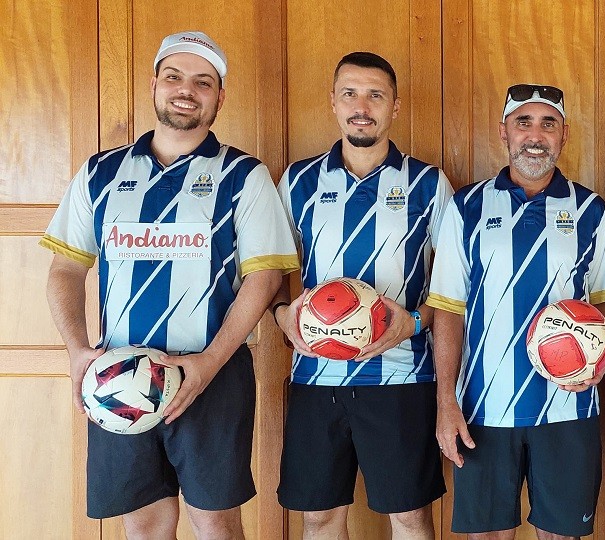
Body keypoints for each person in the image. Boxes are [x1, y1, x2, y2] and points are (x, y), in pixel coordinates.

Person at [41, 31, 299, 538]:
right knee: (143, 525)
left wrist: (206, 365)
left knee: (216, 524)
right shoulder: (101, 172)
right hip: (117, 375)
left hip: (213, 375)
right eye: (174, 76)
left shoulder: (243, 175)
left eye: (204, 82)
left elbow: (265, 278)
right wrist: (76, 351)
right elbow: (65, 271)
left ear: (220, 97)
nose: (187, 90)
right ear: (155, 85)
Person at [428, 84, 605, 539]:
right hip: (483, 408)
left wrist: (600, 368)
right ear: (504, 133)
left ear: (564, 135)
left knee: (561, 534)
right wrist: (445, 403)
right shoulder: (467, 207)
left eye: (547, 124)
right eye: (523, 122)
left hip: (568, 405)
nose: (535, 136)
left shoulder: (591, 210)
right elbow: (449, 310)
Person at [272, 52, 451, 540]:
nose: (362, 106)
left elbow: (455, 285)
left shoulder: (428, 184)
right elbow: (271, 268)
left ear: (395, 106)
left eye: (376, 94)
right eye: (349, 93)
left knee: (410, 516)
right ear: (332, 102)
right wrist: (282, 314)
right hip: (315, 377)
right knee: (320, 516)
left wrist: (413, 323)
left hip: (401, 377)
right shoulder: (298, 181)